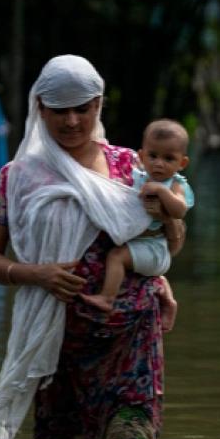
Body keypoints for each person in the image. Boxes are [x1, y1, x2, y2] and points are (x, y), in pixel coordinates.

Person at [0, 55, 184, 439]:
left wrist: (162, 278)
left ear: (98, 105)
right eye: (58, 110)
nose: (71, 121)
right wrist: (36, 273)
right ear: (40, 110)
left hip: (131, 336)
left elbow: (165, 240)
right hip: (61, 345)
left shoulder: (135, 168)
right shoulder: (17, 178)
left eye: (82, 108)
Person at [79, 118, 193, 333]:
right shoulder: (136, 176)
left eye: (169, 158)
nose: (159, 163)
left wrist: (161, 192)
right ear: (141, 156)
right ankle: (164, 296)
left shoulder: (175, 184)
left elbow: (179, 210)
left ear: (182, 163)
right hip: (141, 243)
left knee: (116, 257)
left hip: (154, 247)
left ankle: (107, 298)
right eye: (153, 156)